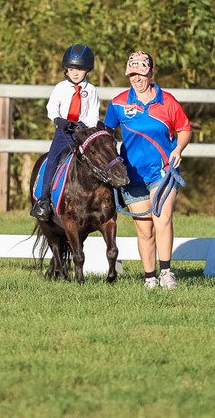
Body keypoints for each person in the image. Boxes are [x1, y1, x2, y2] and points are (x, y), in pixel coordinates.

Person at [103, 51, 191, 289]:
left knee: (162, 219)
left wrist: (178, 149)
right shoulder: (118, 103)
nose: (137, 78)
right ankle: (150, 277)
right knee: (144, 230)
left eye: (141, 73)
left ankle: (166, 273)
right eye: (132, 73)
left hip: (162, 171)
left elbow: (184, 128)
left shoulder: (167, 101)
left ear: (151, 73)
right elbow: (107, 134)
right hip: (132, 175)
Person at [30, 44, 100, 221]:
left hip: (83, 133)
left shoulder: (91, 91)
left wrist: (82, 125)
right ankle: (44, 200)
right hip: (63, 133)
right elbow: (51, 107)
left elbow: (94, 115)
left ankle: (104, 199)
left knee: (99, 159)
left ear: (87, 70)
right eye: (71, 69)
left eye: (80, 69)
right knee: (53, 159)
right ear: (66, 70)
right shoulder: (60, 87)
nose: (75, 73)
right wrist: (59, 120)